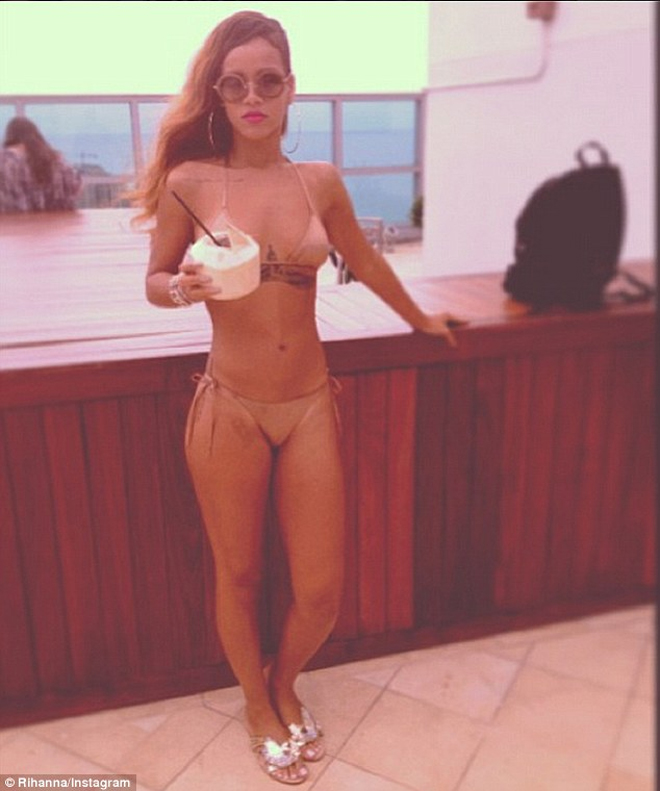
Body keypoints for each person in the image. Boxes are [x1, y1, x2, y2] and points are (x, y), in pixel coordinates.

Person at [134, 10, 465, 785]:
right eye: (234, 84)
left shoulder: (318, 181)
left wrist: (422, 320)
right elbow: (154, 278)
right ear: (217, 95)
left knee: (320, 589)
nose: (252, 97)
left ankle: (284, 679)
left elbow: (365, 262)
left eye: (267, 81)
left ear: (291, 89)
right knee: (239, 573)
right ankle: (258, 704)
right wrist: (179, 289)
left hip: (309, 401)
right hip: (229, 406)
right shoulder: (190, 183)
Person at [0, 117, 82, 213]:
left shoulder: (3, 160)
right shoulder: (52, 158)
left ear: (9, 135)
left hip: (13, 220)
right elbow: (76, 185)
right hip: (54, 220)